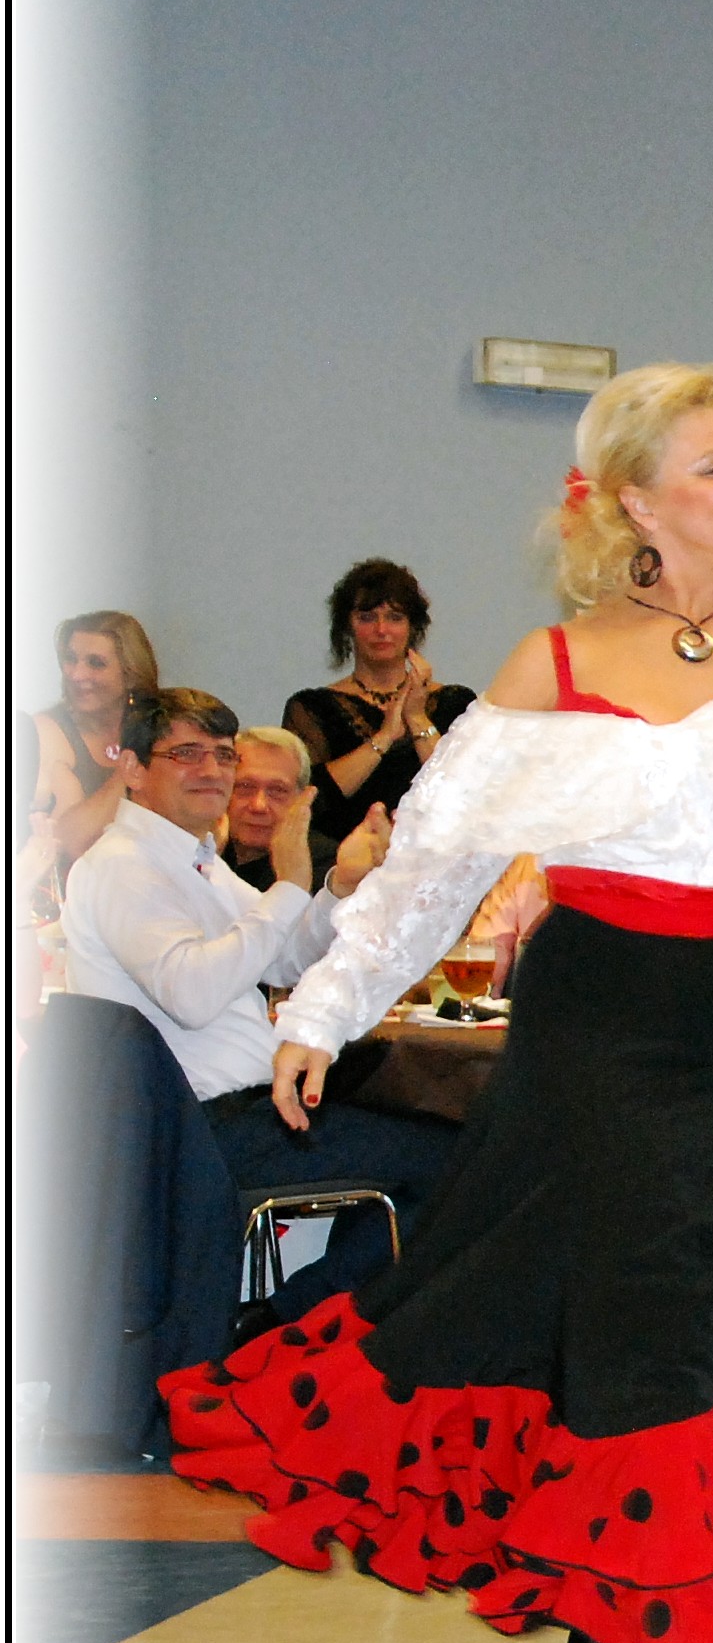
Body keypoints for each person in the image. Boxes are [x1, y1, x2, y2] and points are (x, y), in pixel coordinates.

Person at [160, 362, 713, 1643]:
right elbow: (431, 864)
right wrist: (322, 1010)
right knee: (649, 1314)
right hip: (598, 1035)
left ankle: (617, 1615)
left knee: (685, 1329)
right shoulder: (555, 667)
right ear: (635, 499)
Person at [62, 686, 439, 1318]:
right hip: (201, 1131)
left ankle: (299, 1320)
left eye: (222, 754)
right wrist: (290, 884)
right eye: (186, 753)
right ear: (131, 767)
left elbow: (287, 959)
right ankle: (284, 1324)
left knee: (453, 1149)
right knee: (460, 1162)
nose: (212, 770)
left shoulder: (194, 860)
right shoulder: (124, 865)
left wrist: (338, 885)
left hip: (246, 1115)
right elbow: (192, 995)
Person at [281, 558, 479, 864]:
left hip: (434, 864)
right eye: (367, 617)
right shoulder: (311, 708)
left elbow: (465, 792)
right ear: (347, 626)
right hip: (340, 864)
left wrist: (417, 718)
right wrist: (384, 737)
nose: (381, 629)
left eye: (395, 617)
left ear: (412, 627)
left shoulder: (455, 702)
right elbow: (310, 800)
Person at [25, 609, 158, 877]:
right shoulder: (46, 731)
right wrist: (132, 766)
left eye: (96, 663)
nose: (76, 674)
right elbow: (70, 844)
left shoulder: (160, 726)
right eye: (70, 659)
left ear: (131, 674)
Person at [220, 728, 313, 893]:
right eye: (245, 786)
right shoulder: (195, 849)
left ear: (303, 799)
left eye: (277, 790)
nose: (259, 806)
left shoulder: (323, 867)